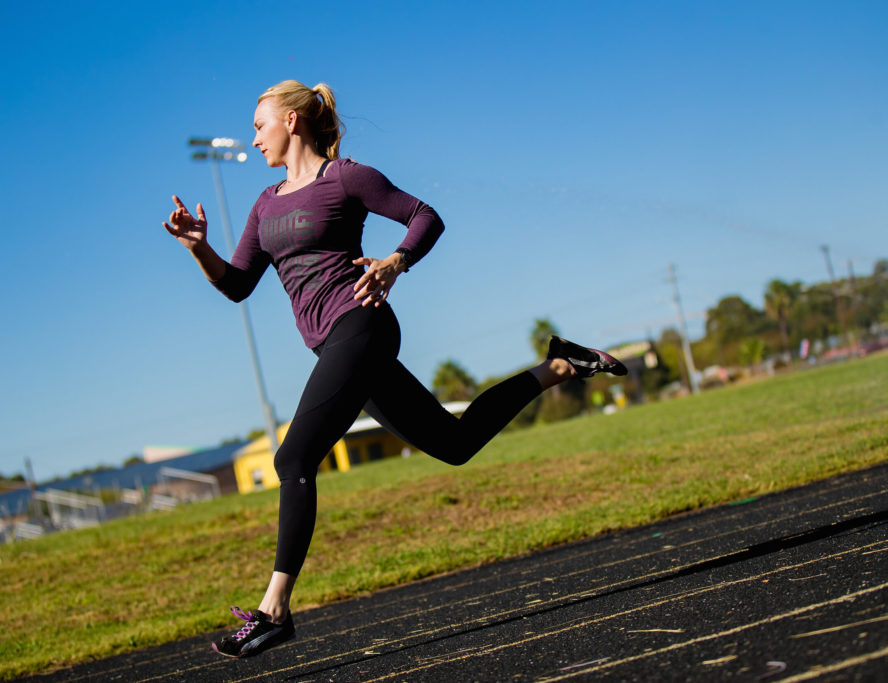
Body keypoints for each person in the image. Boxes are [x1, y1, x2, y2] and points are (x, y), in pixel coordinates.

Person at [162, 80, 627, 659]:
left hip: (360, 326)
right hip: (333, 347)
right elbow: (236, 287)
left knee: (293, 458)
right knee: (455, 444)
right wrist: (198, 249)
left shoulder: (345, 177)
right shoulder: (264, 203)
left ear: (291, 122)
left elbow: (424, 216)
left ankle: (273, 611)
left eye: (260, 125)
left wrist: (395, 263)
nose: (254, 138)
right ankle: (560, 364)